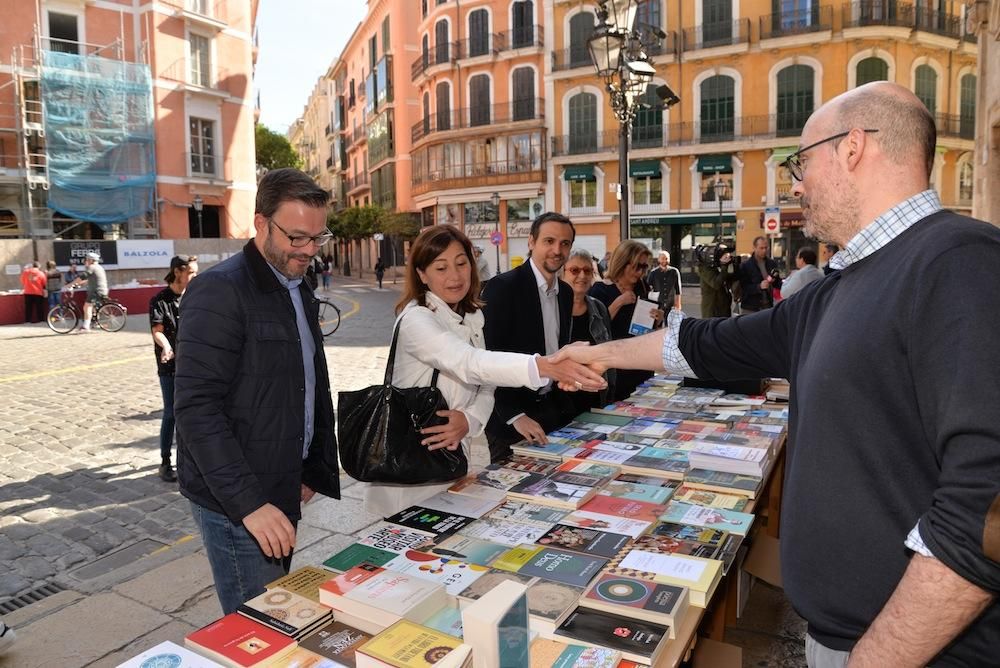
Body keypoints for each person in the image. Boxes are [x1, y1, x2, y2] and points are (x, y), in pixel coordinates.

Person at [555, 82, 1000, 667]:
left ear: (852, 148)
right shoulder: (841, 287)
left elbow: (984, 512)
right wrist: (597, 354)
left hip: (912, 651)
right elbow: (707, 344)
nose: (796, 183)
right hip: (845, 638)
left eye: (801, 161)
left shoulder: (959, 262)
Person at [174, 168, 341, 615]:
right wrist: (250, 505)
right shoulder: (218, 290)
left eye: (318, 238)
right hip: (239, 504)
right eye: (297, 237)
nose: (309, 251)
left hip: (281, 482)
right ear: (261, 223)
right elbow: (195, 410)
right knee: (258, 627)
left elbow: (307, 383)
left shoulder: (296, 283)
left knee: (276, 607)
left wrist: (310, 466)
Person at [364, 226, 605, 516]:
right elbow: (469, 363)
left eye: (462, 263)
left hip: (452, 457)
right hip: (409, 461)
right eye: (441, 267)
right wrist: (547, 366)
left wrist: (469, 418)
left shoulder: (472, 315)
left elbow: (486, 382)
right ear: (422, 274)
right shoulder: (417, 318)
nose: (455, 276)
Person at [482, 212, 578, 463]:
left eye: (564, 243)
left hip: (553, 410)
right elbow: (488, 357)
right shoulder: (502, 288)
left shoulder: (565, 293)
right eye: (549, 241)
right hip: (512, 422)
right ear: (531, 242)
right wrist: (514, 415)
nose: (557, 250)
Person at [588, 240, 662, 401]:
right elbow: (598, 326)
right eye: (637, 266)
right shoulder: (601, 289)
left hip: (641, 362)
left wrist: (658, 319)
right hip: (616, 365)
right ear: (622, 263)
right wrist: (619, 302)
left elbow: (649, 327)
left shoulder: (643, 287)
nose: (641, 272)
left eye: (644, 267)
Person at [149, 255, 199, 483]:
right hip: (170, 366)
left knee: (195, 412)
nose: (195, 276)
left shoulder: (197, 296)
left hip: (195, 365)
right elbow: (157, 330)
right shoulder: (160, 300)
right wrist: (167, 346)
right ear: (178, 272)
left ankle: (191, 460)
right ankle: (165, 461)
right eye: (191, 272)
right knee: (171, 412)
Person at [562, 248, 615, 412]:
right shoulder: (553, 309)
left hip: (594, 396)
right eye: (574, 270)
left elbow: (608, 353)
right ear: (562, 274)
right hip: (561, 397)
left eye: (587, 270)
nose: (582, 276)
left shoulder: (598, 308)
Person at [66, 252, 108, 332]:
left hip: (96, 291)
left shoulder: (92, 267)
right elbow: (87, 280)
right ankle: (95, 323)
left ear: (91, 260)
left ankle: (85, 327)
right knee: (94, 308)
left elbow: (82, 277)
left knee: (87, 307)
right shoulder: (99, 267)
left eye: (87, 260)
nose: (86, 261)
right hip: (102, 290)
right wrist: (77, 285)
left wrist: (71, 284)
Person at [738, 236, 782, 313]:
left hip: (768, 306)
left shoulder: (771, 263)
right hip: (751, 308)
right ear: (754, 248)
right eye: (761, 248)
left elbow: (778, 283)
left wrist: (775, 281)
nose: (764, 250)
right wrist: (759, 286)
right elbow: (743, 288)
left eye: (766, 248)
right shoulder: (746, 265)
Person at [697, 242, 740, 318]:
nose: (728, 257)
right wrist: (724, 266)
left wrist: (735, 266)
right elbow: (716, 284)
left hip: (724, 308)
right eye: (724, 255)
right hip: (712, 311)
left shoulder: (720, 266)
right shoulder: (705, 269)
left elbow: (731, 280)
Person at [647, 250, 682, 315]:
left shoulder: (674, 271)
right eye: (662, 258)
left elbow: (678, 290)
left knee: (670, 324)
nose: (665, 261)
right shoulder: (653, 273)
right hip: (658, 303)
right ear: (658, 259)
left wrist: (678, 305)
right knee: (658, 324)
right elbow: (648, 289)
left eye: (666, 259)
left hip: (671, 305)